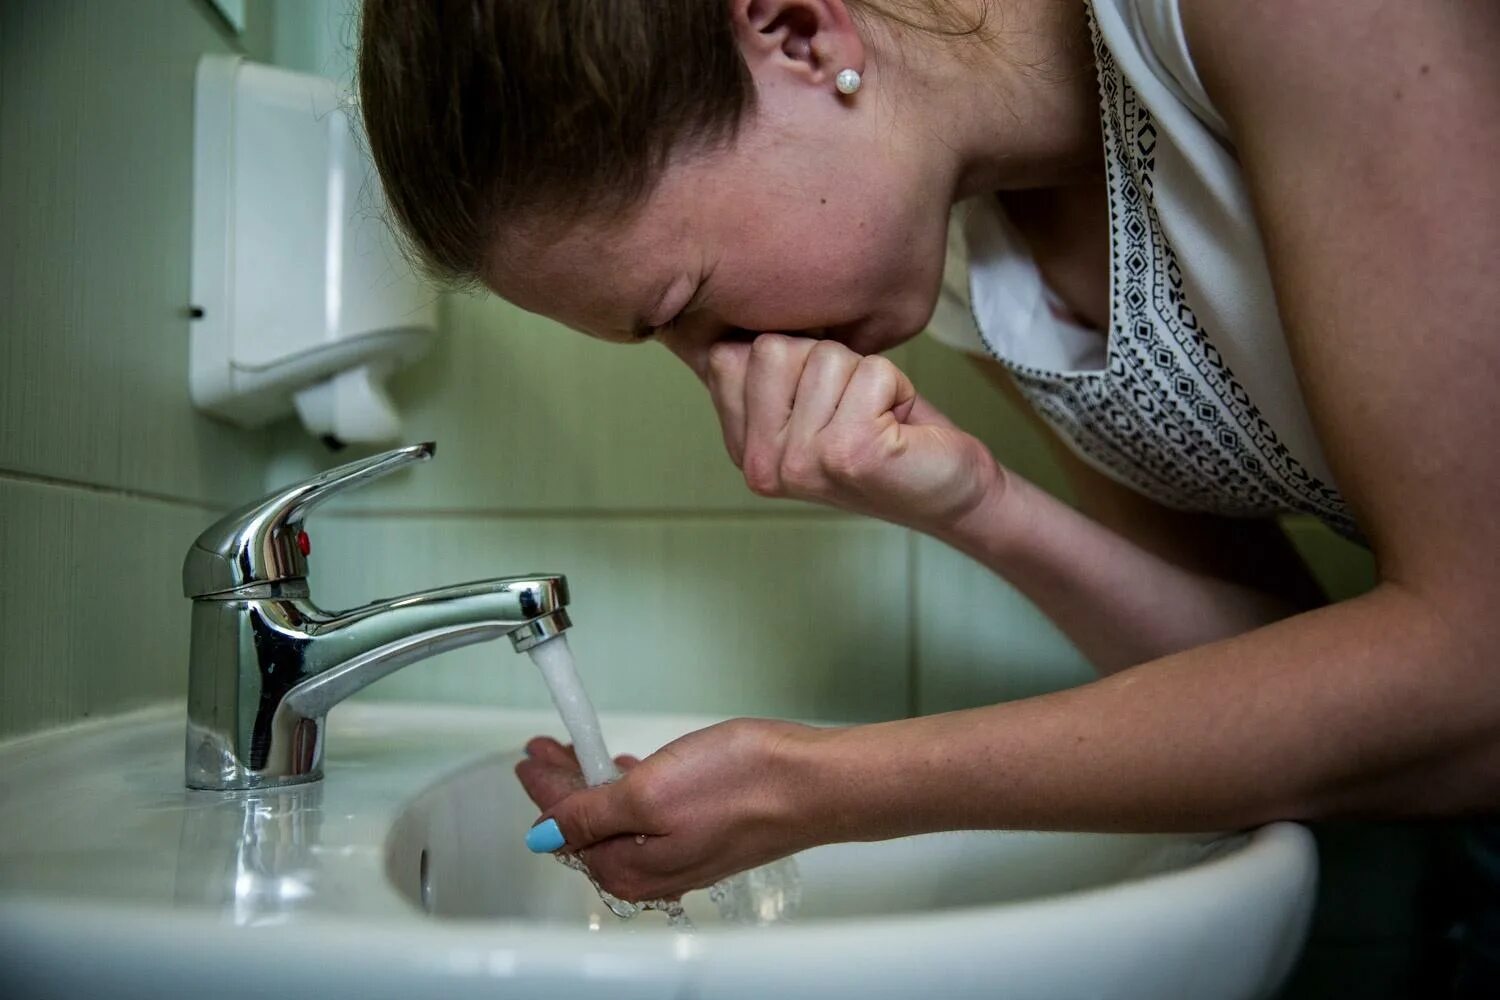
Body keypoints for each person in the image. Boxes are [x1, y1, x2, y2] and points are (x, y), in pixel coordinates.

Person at [356, 0, 1498, 987]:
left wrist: (821, 787)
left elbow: (1473, 674)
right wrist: (981, 505)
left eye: (682, 303)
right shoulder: (957, 244)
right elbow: (1302, 682)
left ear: (800, 31)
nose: (726, 370)